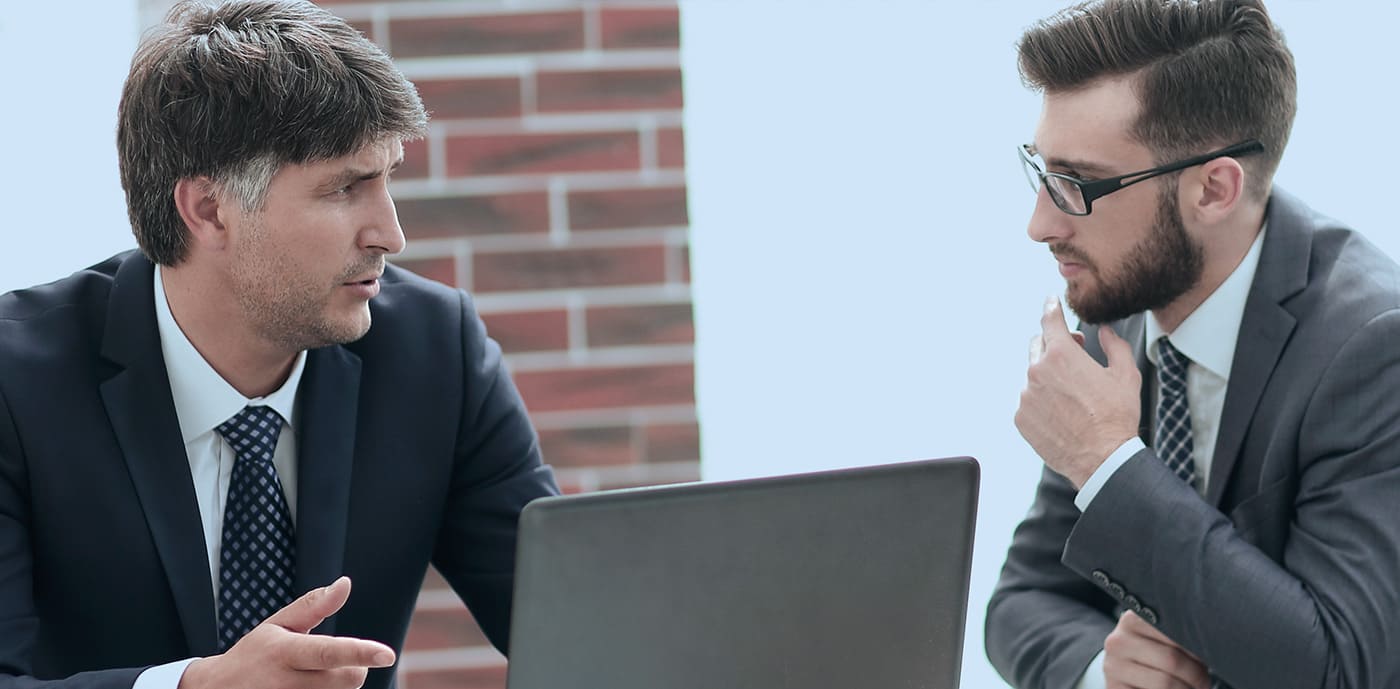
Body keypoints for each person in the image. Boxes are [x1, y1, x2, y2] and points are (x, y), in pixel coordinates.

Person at [0, 1, 560, 688]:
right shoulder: (15, 383)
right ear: (208, 209)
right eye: (347, 188)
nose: (391, 232)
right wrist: (193, 686)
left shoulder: (435, 351)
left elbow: (575, 626)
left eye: (388, 180)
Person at [984, 1, 1400, 688]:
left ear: (1213, 189)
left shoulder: (1372, 352)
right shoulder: (1119, 308)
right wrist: (1101, 670)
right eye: (1041, 171)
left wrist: (1106, 459)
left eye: (1077, 185)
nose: (1040, 224)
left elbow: (1337, 666)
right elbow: (1023, 600)